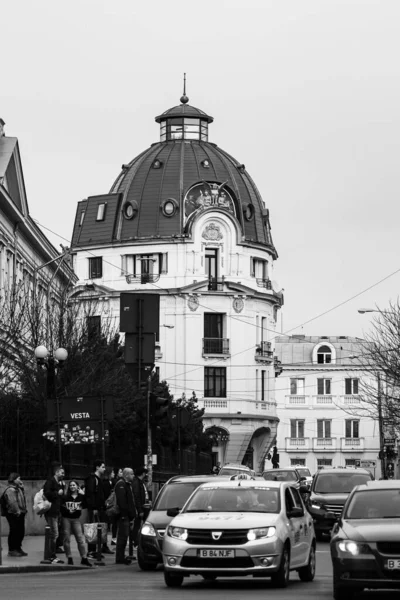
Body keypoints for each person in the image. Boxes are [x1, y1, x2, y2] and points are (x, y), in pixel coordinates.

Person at [85, 460, 114, 558]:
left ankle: (96, 550)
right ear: (97, 467)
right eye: (102, 467)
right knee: (92, 529)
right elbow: (90, 494)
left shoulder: (98, 479)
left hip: (99, 508)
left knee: (97, 529)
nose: (104, 469)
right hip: (95, 508)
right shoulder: (93, 479)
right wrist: (93, 508)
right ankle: (91, 551)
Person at [60, 480, 92, 567]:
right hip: (66, 519)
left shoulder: (81, 497)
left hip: (76, 519)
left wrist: (84, 494)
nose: (72, 487)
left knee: (80, 539)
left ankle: (84, 558)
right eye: (70, 485)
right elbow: (61, 508)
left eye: (74, 485)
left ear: (77, 487)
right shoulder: (66, 497)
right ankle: (69, 557)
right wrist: (67, 511)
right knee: (66, 539)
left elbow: (87, 504)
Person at [43, 462, 66, 564]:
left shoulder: (58, 483)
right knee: (54, 534)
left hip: (56, 511)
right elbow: (46, 493)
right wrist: (57, 493)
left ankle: (52, 554)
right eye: (62, 473)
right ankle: (52, 556)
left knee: (54, 534)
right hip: (51, 512)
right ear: (56, 472)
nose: (63, 474)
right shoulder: (50, 482)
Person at [115, 468, 137, 564]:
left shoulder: (127, 485)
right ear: (126, 475)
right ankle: (120, 557)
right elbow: (122, 501)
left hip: (127, 516)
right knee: (122, 537)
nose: (133, 476)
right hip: (123, 516)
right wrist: (124, 515)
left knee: (124, 536)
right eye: (132, 474)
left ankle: (121, 556)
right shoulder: (121, 484)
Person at [3, 473, 28, 557]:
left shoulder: (18, 489)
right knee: (14, 531)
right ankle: (12, 550)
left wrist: (22, 488)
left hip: (20, 513)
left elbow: (22, 499)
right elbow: (12, 502)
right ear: (13, 480)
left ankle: (18, 548)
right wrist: (18, 512)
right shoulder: (10, 490)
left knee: (20, 531)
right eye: (18, 479)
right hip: (13, 514)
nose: (20, 480)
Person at [131, 467, 149, 558]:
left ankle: (136, 541)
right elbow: (137, 497)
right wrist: (140, 510)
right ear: (142, 474)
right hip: (139, 508)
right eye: (145, 473)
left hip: (141, 507)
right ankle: (135, 542)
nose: (146, 475)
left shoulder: (140, 482)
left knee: (138, 525)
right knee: (137, 525)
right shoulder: (136, 483)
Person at [111, 467, 123, 545]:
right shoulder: (117, 482)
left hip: (116, 504)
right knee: (115, 522)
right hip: (116, 504)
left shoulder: (118, 481)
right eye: (120, 472)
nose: (121, 473)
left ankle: (114, 538)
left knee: (116, 522)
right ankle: (114, 538)